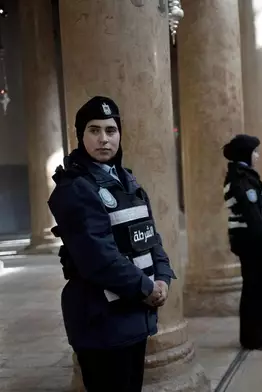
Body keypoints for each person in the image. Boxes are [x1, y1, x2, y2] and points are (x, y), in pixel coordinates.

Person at [48, 96, 175, 392]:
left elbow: (150, 236)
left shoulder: (127, 180)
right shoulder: (75, 187)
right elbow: (98, 258)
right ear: (80, 136)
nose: (104, 139)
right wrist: (147, 288)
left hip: (134, 316)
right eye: (94, 130)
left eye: (111, 130)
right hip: (101, 321)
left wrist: (164, 276)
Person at [222, 134, 262, 351]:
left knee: (261, 284)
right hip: (251, 241)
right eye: (254, 151)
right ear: (246, 153)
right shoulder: (240, 178)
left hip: (253, 240)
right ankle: (252, 336)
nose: (258, 155)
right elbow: (252, 214)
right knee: (256, 286)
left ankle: (259, 328)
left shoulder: (245, 175)